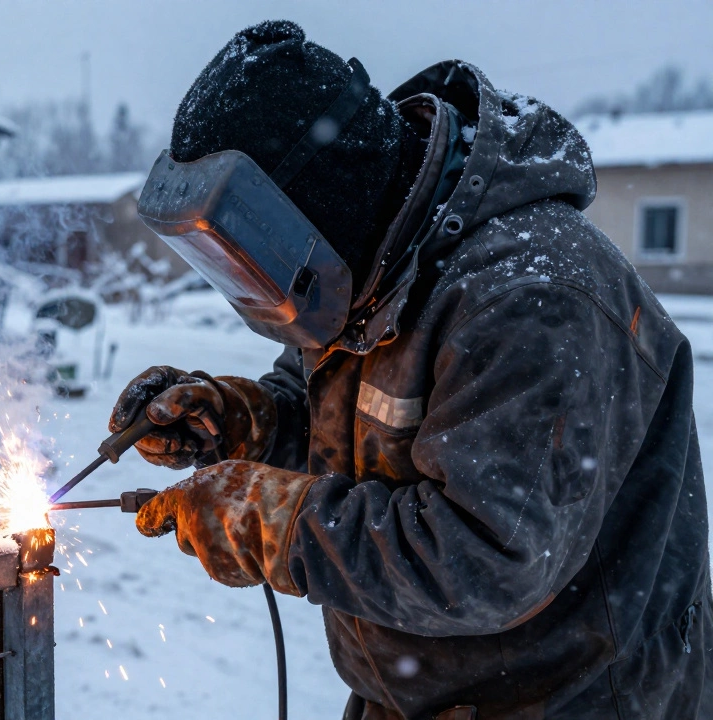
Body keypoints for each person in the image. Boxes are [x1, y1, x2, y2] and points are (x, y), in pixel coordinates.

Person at [117, 20, 712, 719]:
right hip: (420, 694)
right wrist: (248, 418)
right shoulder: (373, 267)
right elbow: (335, 414)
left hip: (572, 700)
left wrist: (273, 521)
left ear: (322, 203)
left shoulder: (531, 298)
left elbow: (487, 556)